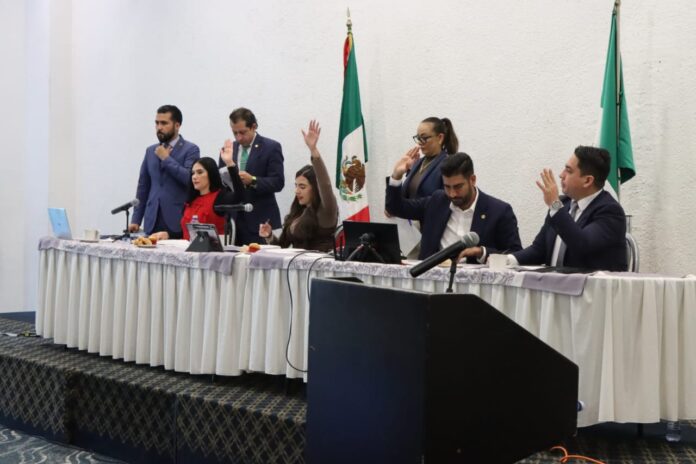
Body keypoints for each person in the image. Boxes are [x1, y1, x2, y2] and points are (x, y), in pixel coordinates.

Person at [385, 152, 522, 262]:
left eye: (458, 187)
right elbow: (395, 208)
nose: (452, 194)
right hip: (433, 279)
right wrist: (396, 176)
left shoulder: (499, 211)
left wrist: (482, 252)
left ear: (472, 180)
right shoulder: (438, 201)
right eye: (447, 187)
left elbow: (515, 254)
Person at [510, 146, 627, 271]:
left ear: (587, 181)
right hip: (553, 281)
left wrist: (554, 205)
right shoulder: (563, 204)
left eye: (569, 171)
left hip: (589, 283)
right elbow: (539, 250)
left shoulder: (610, 211)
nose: (561, 175)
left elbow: (582, 244)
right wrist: (508, 260)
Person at [259, 120, 338, 251]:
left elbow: (326, 185)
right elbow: (282, 247)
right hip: (294, 263)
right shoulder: (298, 212)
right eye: (296, 186)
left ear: (315, 188)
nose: (297, 191)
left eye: (302, 187)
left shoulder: (326, 211)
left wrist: (313, 150)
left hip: (318, 262)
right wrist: (269, 236)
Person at [130, 105, 200, 236]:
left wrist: (166, 159)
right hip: (152, 219)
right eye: (157, 123)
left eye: (164, 123)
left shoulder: (191, 150)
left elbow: (189, 179)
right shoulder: (150, 151)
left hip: (177, 220)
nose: (159, 127)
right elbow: (143, 187)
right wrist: (136, 219)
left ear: (177, 125)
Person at [218, 107, 284, 245]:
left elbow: (278, 182)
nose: (238, 137)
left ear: (253, 127)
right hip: (234, 221)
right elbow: (222, 184)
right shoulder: (228, 150)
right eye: (235, 133)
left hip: (260, 220)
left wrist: (253, 180)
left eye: (242, 132)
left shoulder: (271, 147)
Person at [150, 157, 244, 240]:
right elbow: (187, 234)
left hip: (212, 252)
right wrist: (168, 235)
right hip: (187, 250)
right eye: (193, 173)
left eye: (200, 172)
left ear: (211, 174)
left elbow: (240, 196)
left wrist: (230, 164)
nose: (194, 177)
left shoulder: (220, 197)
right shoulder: (190, 201)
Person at [401, 116, 459, 199]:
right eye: (418, 138)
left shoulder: (448, 165)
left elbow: (444, 200)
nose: (419, 142)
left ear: (440, 138)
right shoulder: (417, 162)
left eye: (424, 138)